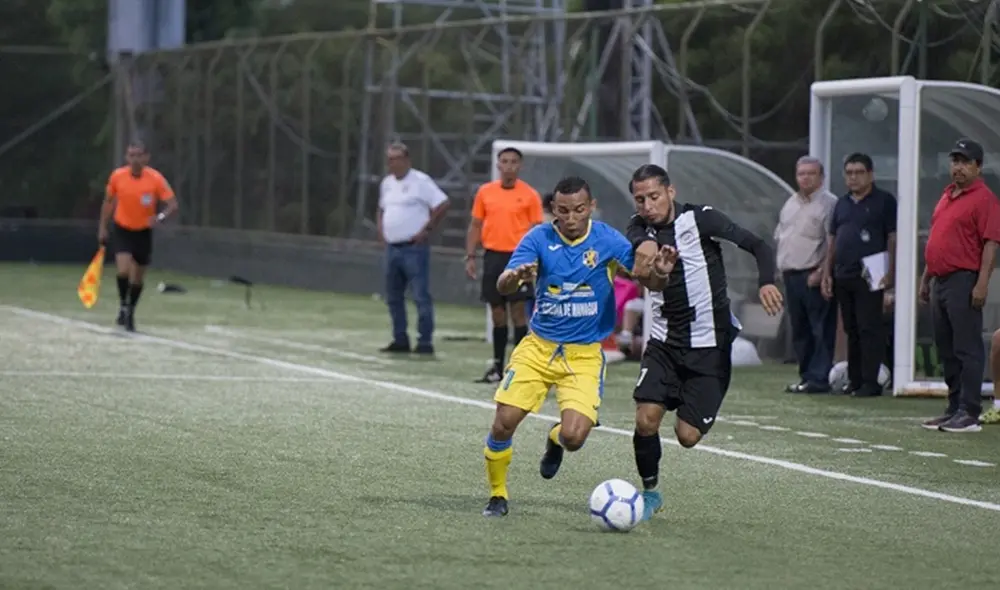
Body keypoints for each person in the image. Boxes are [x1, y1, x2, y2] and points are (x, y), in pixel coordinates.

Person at [481, 176, 669, 517]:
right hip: (538, 348)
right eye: (563, 211)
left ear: (591, 207)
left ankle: (555, 440)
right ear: (553, 208)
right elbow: (503, 284)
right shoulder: (538, 237)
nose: (571, 218)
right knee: (503, 422)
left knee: (574, 438)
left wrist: (661, 273)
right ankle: (497, 495)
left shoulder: (607, 239)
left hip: (583, 356)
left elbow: (648, 280)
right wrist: (515, 277)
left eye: (579, 210)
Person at [625, 164, 783, 521]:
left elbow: (758, 245)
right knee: (646, 420)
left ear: (671, 192)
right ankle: (650, 493)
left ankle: (694, 400)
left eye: (654, 196)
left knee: (687, 436)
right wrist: (655, 267)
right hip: (664, 343)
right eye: (640, 199)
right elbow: (647, 273)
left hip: (710, 345)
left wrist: (766, 282)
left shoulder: (702, 219)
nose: (647, 205)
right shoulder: (637, 228)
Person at [919, 139, 1000, 433]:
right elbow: (937, 240)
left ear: (978, 166)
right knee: (946, 347)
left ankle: (970, 411)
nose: (958, 167)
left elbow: (991, 243)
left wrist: (982, 284)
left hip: (963, 279)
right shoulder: (947, 196)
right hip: (940, 280)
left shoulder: (984, 199)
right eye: (955, 161)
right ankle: (954, 407)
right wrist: (926, 278)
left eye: (965, 162)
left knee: (967, 348)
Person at [820, 153, 897, 397]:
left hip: (871, 273)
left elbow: (892, 237)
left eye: (859, 172)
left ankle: (870, 381)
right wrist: (827, 272)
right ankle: (854, 380)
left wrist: (891, 272)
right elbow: (832, 240)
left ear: (870, 175)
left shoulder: (884, 201)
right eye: (849, 173)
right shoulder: (841, 204)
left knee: (869, 327)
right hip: (844, 273)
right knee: (851, 329)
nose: (854, 178)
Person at [465, 147, 544, 383]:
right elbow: (476, 224)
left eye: (513, 162)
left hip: (519, 257)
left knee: (518, 312)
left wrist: (536, 260)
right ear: (498, 165)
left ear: (520, 166)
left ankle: (519, 368)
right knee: (497, 314)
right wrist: (470, 255)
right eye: (505, 161)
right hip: (493, 257)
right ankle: (498, 367)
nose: (509, 166)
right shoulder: (485, 192)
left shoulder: (530, 195)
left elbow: (537, 230)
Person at [376, 142, 450, 355]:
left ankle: (424, 341)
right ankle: (400, 338)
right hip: (392, 247)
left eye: (396, 159)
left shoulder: (420, 181)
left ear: (406, 160)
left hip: (413, 248)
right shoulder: (387, 183)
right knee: (393, 296)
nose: (392, 164)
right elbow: (381, 209)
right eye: (389, 160)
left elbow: (442, 203)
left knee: (420, 295)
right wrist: (381, 231)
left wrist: (427, 229)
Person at [98, 141, 178, 332]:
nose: (135, 159)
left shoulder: (155, 178)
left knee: (138, 278)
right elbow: (108, 203)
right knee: (123, 270)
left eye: (139, 155)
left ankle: (131, 310)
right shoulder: (118, 176)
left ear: (146, 158)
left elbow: (172, 204)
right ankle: (123, 305)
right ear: (126, 157)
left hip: (143, 231)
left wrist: (159, 217)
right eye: (131, 155)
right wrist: (103, 227)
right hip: (123, 228)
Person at [775, 156, 838, 393]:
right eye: (801, 173)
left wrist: (822, 271)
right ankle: (806, 376)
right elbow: (782, 237)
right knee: (800, 330)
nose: (805, 178)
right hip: (791, 275)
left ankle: (819, 378)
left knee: (820, 329)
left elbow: (832, 242)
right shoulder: (790, 203)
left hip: (813, 274)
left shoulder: (829, 204)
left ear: (821, 177)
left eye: (811, 173)